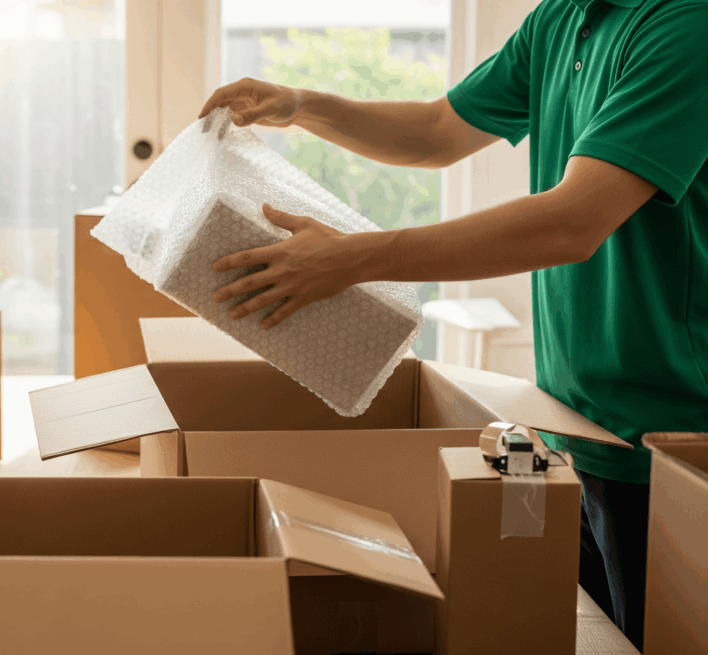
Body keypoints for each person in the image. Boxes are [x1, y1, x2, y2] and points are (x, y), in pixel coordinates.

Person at [201, 0, 707, 648]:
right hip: (572, 422)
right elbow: (439, 130)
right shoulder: (562, 18)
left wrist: (353, 259)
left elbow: (572, 221)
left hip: (667, 439)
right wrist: (300, 105)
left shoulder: (686, 26)